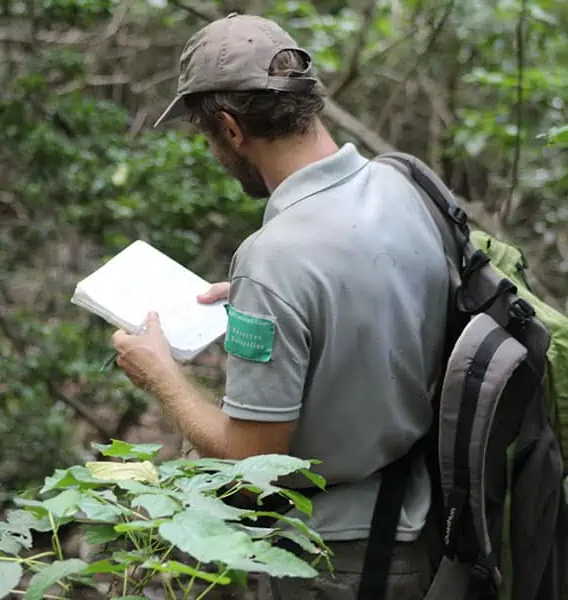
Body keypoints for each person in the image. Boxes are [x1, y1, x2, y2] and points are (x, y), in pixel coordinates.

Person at [111, 13, 448, 599]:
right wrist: (275, 302)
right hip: (420, 530)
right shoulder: (400, 186)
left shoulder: (276, 260)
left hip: (334, 562)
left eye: (207, 137)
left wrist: (162, 376)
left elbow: (252, 461)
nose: (214, 151)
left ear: (229, 127)